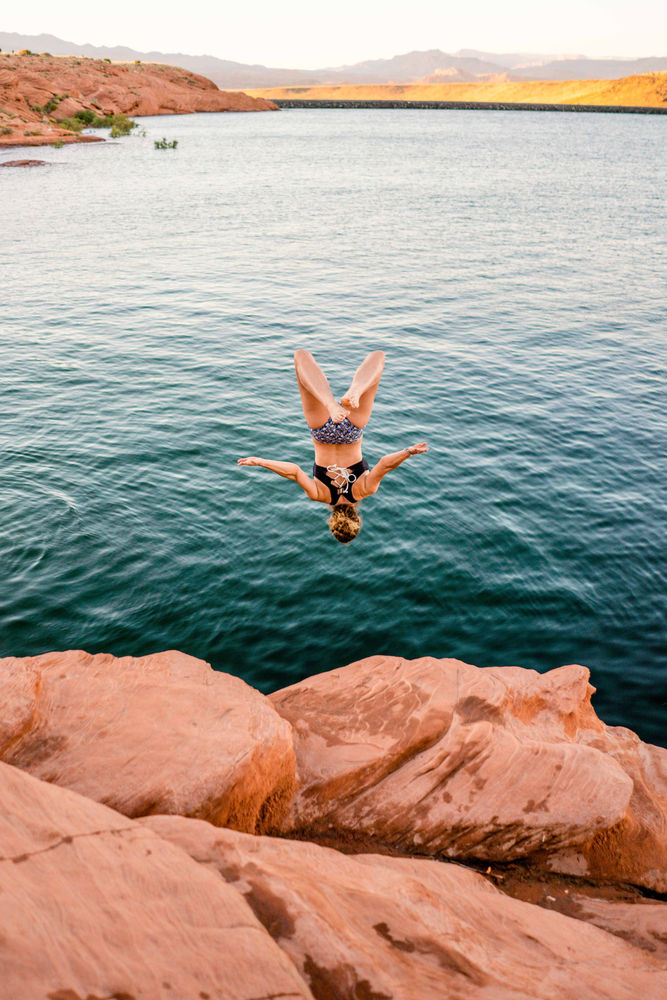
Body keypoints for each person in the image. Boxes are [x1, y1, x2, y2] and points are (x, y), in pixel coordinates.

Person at [238, 350, 428, 543]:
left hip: (351, 431)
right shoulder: (319, 494)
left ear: (358, 519)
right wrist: (260, 462)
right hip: (321, 432)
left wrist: (407, 452)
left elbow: (385, 464)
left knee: (378, 357)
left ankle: (355, 391)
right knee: (300, 357)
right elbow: (294, 472)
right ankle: (329, 402)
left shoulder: (365, 490)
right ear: (331, 520)